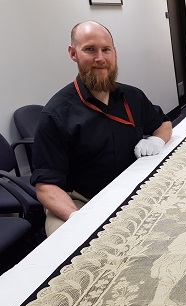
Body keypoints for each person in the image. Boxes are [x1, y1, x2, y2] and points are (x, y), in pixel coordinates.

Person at [31, 21, 172, 236]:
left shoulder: (133, 96)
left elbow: (163, 124)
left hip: (133, 189)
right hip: (81, 200)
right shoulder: (56, 114)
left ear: (115, 53)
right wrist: (78, 218)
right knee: (73, 253)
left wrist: (157, 140)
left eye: (106, 49)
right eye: (90, 49)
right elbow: (45, 187)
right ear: (73, 53)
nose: (100, 58)